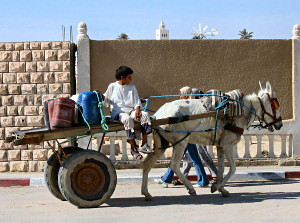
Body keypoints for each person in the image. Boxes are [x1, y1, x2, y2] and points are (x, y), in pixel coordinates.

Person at [154, 86, 210, 188]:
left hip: (187, 134)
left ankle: (203, 180)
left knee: (192, 157)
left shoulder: (189, 105)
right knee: (184, 157)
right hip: (186, 134)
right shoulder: (184, 104)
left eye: (181, 94)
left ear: (185, 93)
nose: (180, 96)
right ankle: (168, 179)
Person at [102, 66, 152, 160]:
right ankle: (133, 149)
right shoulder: (112, 86)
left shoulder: (132, 87)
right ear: (122, 77)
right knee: (127, 119)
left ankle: (144, 144)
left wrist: (138, 109)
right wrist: (101, 95)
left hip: (131, 110)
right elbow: (107, 101)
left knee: (145, 115)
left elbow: (137, 100)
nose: (131, 79)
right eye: (129, 77)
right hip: (118, 112)